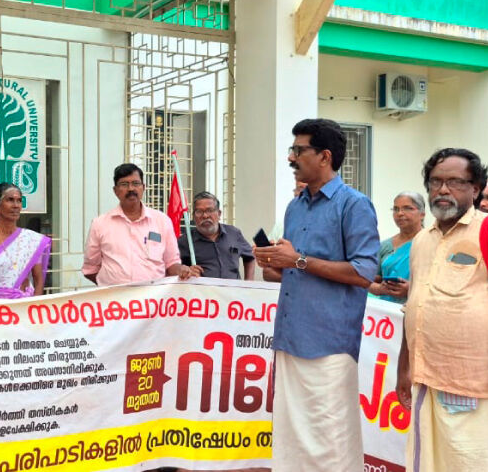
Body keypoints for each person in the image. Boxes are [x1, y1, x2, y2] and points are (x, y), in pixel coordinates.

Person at [252, 119, 379, 472]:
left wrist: (298, 260)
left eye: (299, 150)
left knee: (330, 441)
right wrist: (273, 261)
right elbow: (293, 270)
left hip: (329, 344)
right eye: (292, 149)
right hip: (290, 338)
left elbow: (364, 273)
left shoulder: (354, 205)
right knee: (291, 440)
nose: (291, 158)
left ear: (324, 156)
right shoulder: (295, 207)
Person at [396, 148, 488, 472]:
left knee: (470, 462)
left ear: (475, 189)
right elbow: (415, 304)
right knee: (428, 462)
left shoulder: (486, 232)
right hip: (426, 378)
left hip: (474, 384)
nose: (443, 190)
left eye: (455, 182)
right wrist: (404, 367)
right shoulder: (422, 240)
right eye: (435, 182)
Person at [83, 163, 199, 286]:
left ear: (143, 187)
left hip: (153, 296)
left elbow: (171, 264)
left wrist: (181, 270)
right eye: (124, 184)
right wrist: (109, 285)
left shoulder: (162, 221)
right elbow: (90, 269)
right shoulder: (100, 224)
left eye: (135, 183)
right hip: (115, 297)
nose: (131, 189)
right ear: (115, 191)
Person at [0, 183, 51, 299]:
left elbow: (38, 280)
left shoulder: (31, 239)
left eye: (19, 201)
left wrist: (34, 304)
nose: (16, 205)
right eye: (10, 200)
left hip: (25, 303)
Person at [178, 191, 255, 280]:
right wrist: (185, 270)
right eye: (199, 211)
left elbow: (249, 257)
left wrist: (248, 283)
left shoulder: (234, 234)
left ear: (219, 214)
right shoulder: (185, 241)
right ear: (194, 217)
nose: (205, 216)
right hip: (202, 288)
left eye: (210, 210)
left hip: (233, 288)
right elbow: (172, 268)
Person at [367, 191, 425, 303]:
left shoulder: (432, 243)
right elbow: (367, 280)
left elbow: (444, 285)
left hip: (417, 309)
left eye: (407, 208)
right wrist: (379, 289)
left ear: (422, 214)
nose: (400, 213)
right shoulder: (385, 246)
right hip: (387, 310)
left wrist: (412, 289)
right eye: (396, 209)